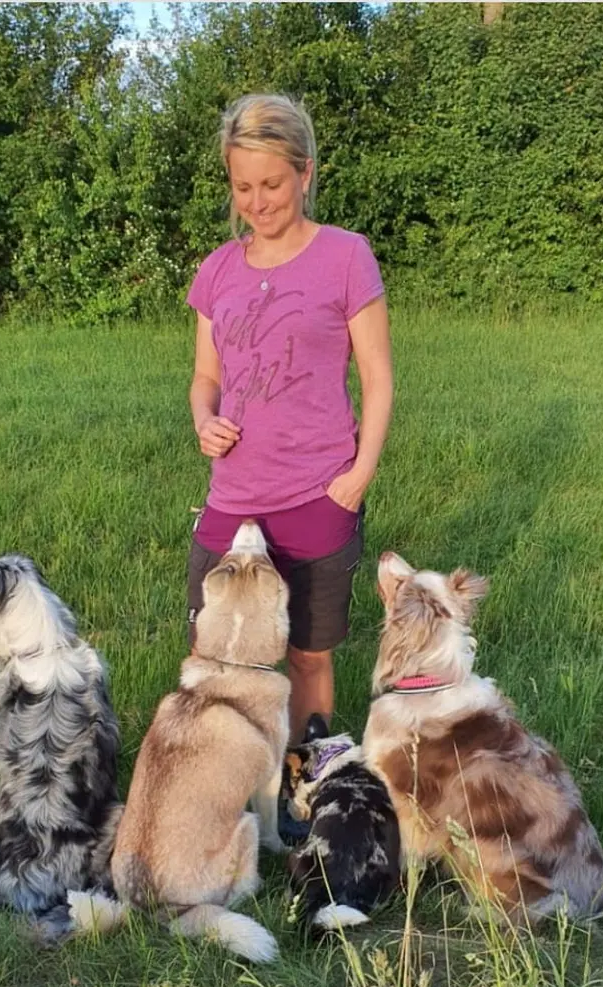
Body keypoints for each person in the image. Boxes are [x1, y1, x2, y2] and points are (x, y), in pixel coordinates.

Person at [186, 93, 394, 756]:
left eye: (272, 183)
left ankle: (307, 794)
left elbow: (379, 376)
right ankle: (219, 787)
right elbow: (206, 378)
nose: (257, 201)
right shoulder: (217, 270)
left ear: (305, 173)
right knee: (210, 653)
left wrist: (360, 475)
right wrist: (203, 420)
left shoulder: (346, 256)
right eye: (242, 186)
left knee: (307, 657)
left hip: (318, 492)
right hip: (233, 498)